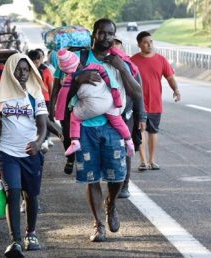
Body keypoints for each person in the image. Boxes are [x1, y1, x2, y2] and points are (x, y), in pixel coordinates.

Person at [52, 18, 143, 242]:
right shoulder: (80, 59)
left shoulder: (122, 61)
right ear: (94, 34)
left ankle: (111, 204)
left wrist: (121, 68)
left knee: (117, 175)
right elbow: (63, 89)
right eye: (102, 33)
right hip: (84, 129)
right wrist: (78, 79)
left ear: (114, 36)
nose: (106, 38)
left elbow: (137, 92)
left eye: (110, 34)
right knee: (91, 177)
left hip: (113, 126)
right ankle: (98, 224)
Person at [0, 54, 48, 257]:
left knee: (31, 195)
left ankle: (31, 233)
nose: (22, 73)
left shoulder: (35, 93)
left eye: (25, 69)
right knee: (13, 192)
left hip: (30, 154)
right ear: (10, 71)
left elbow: (42, 124)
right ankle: (15, 241)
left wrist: (38, 143)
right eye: (18, 69)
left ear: (30, 71)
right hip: (7, 153)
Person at [55, 48, 135, 157]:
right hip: (109, 101)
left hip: (94, 106)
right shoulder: (93, 66)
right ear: (78, 61)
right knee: (118, 121)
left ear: (65, 71)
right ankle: (129, 141)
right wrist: (114, 92)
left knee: (75, 117)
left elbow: (62, 95)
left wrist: (59, 114)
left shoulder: (70, 78)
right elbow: (106, 75)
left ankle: (75, 141)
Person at [130, 31, 180, 171]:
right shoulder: (133, 61)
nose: (149, 44)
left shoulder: (161, 60)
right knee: (141, 130)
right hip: (139, 103)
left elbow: (170, 77)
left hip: (155, 102)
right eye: (145, 42)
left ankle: (152, 160)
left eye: (151, 41)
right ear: (139, 45)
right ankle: (143, 161)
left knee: (153, 131)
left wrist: (176, 90)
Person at [112, 38, 146, 198]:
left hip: (126, 116)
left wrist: (141, 116)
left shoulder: (131, 67)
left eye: (118, 49)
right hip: (104, 117)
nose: (115, 53)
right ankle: (112, 181)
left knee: (126, 150)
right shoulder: (99, 64)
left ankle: (125, 185)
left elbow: (138, 94)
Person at [27, 49, 56, 152]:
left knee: (43, 120)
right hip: (31, 99)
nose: (36, 63)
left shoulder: (45, 70)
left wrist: (53, 102)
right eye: (34, 61)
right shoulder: (26, 71)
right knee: (37, 121)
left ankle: (44, 140)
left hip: (45, 99)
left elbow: (51, 87)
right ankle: (39, 140)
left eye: (37, 61)